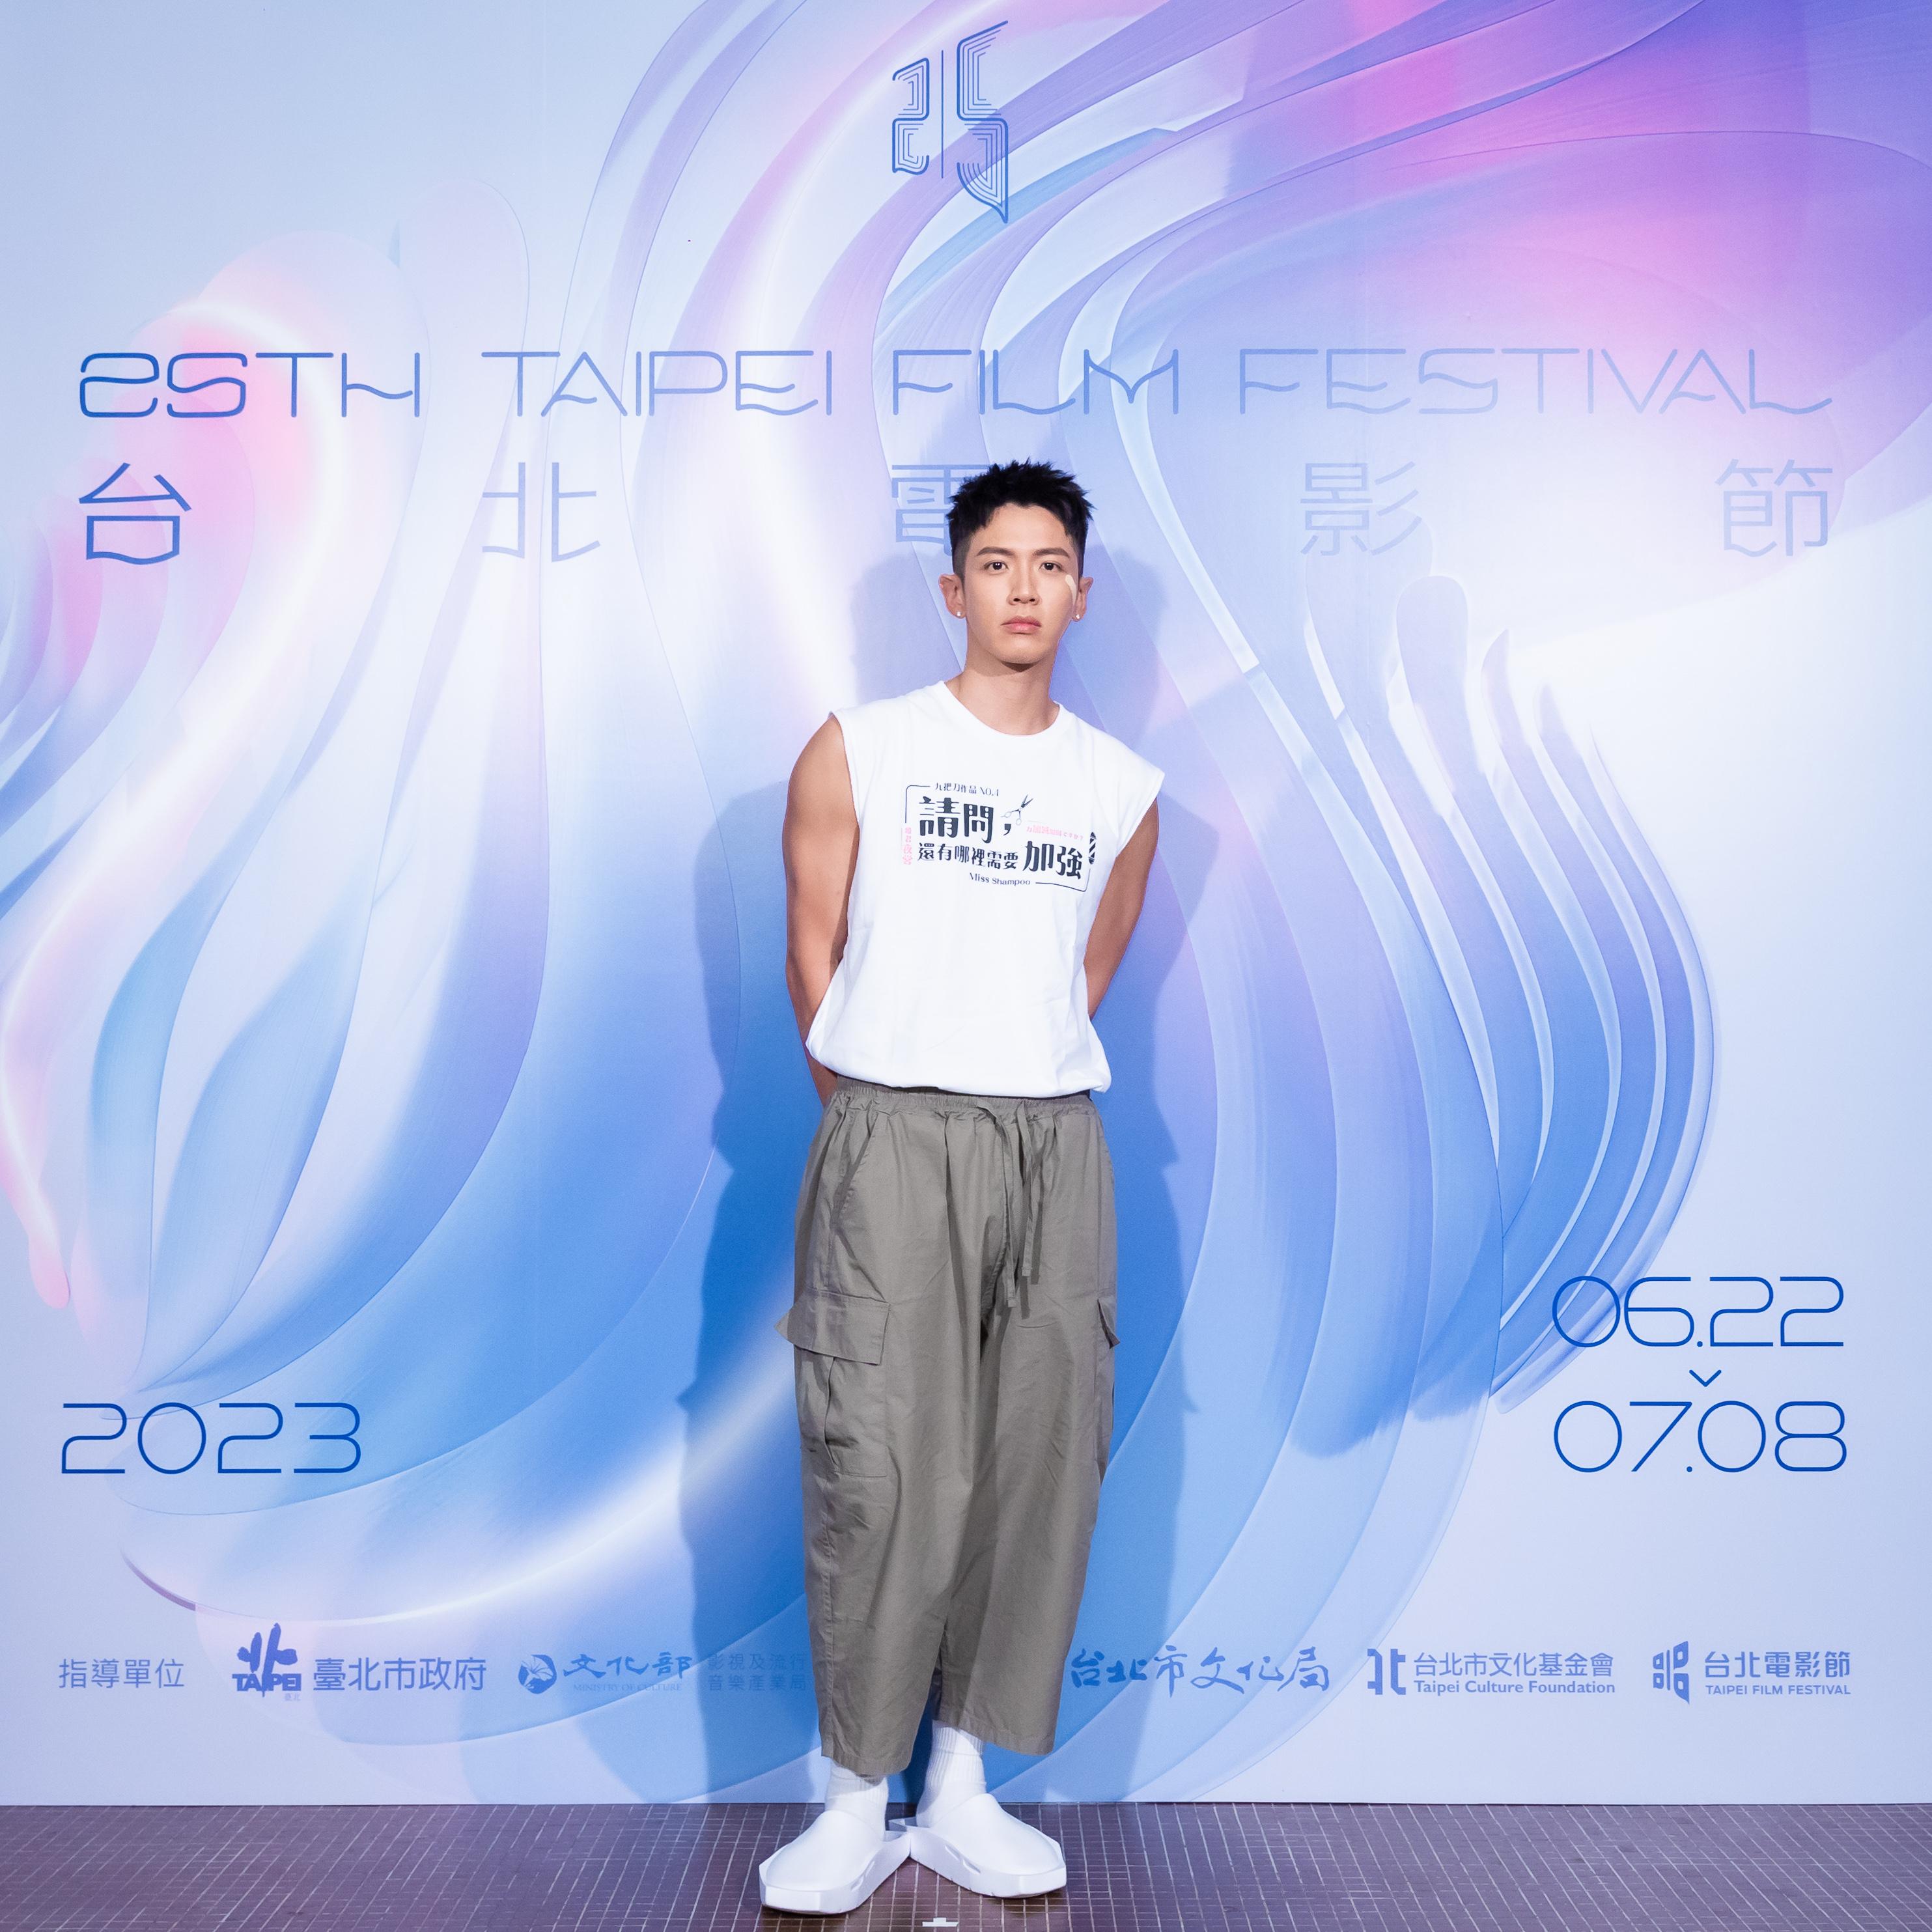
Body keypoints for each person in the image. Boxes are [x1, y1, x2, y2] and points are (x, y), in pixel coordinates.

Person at [758, 459, 1163, 1914]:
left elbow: (1083, 971)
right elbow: (812, 960)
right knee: (878, 1464)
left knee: (1033, 1464)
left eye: (1049, 565)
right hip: (890, 1132)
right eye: (996, 564)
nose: (1022, 589)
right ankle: (850, 1799)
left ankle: (960, 1787)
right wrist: (888, 1113)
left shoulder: (1120, 788)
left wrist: (1006, 1083)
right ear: (954, 587)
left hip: (1053, 1141)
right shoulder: (860, 750)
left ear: (1080, 592)